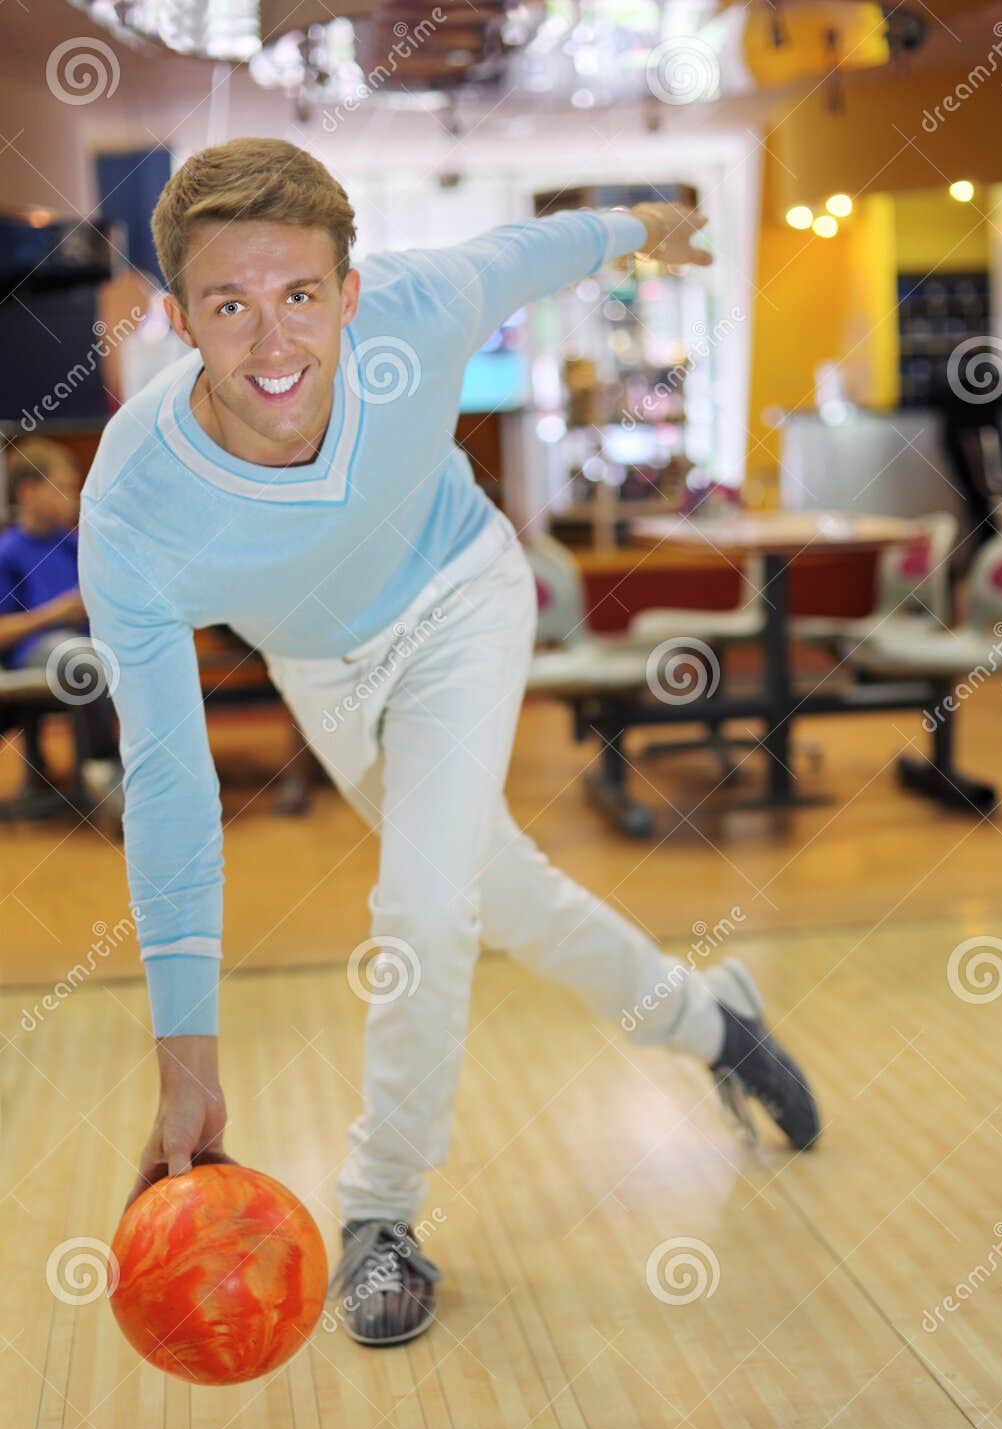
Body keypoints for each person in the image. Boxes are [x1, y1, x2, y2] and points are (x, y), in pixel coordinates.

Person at [78, 137, 820, 1348]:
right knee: (503, 895)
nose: (274, 345)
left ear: (351, 293)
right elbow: (169, 778)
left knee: (425, 906)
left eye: (300, 297)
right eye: (230, 305)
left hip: (462, 601)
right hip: (321, 668)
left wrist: (639, 222)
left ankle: (378, 1214)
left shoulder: (416, 311)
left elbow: (523, 251)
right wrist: (187, 1062)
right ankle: (714, 1021)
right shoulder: (131, 504)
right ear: (176, 317)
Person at [0, 439, 123, 821]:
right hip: (34, 654)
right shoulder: (8, 552)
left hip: (92, 649)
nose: (75, 496)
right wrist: (54, 613)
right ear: (29, 492)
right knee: (79, 658)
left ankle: (149, 774)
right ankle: (104, 769)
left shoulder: (74, 544)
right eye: (64, 486)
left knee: (100, 654)